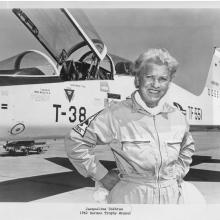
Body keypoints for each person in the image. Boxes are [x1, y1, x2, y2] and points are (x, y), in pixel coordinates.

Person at [65, 48, 201, 204]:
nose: (155, 85)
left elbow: (187, 147)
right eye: (149, 77)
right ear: (138, 79)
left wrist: (177, 173)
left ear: (169, 82)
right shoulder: (115, 114)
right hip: (130, 200)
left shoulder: (177, 117)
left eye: (163, 79)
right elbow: (75, 140)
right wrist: (102, 175)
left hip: (169, 200)